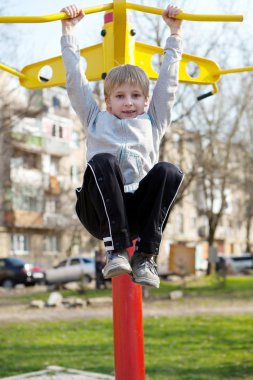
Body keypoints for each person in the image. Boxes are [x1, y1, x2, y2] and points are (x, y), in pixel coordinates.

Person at [60, 4, 184, 288]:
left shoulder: (153, 122)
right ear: (107, 101)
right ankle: (115, 251)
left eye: (135, 95)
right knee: (105, 160)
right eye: (120, 96)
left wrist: (174, 34)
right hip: (99, 211)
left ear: (146, 100)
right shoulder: (94, 119)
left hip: (137, 213)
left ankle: (145, 256)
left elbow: (169, 83)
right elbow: (75, 84)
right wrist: (69, 32)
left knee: (169, 170)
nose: (128, 102)